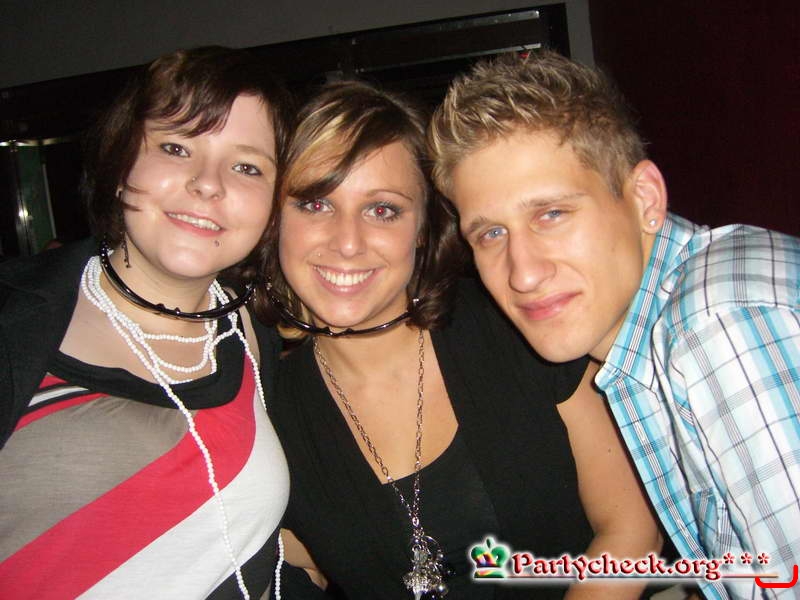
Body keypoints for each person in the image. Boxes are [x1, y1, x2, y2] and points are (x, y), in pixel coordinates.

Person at [258, 79, 661, 600]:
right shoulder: (262, 408)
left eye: (383, 209)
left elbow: (631, 530)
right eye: (315, 204)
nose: (348, 242)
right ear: (275, 220)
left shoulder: (519, 324)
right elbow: (286, 563)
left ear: (424, 227)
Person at [428, 51, 800, 600]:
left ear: (644, 198)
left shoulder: (713, 327)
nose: (523, 274)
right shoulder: (665, 331)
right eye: (491, 234)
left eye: (551, 214)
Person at [0, 46, 293, 600]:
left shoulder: (251, 331)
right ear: (119, 166)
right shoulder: (14, 321)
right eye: (176, 147)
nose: (208, 183)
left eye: (247, 166)